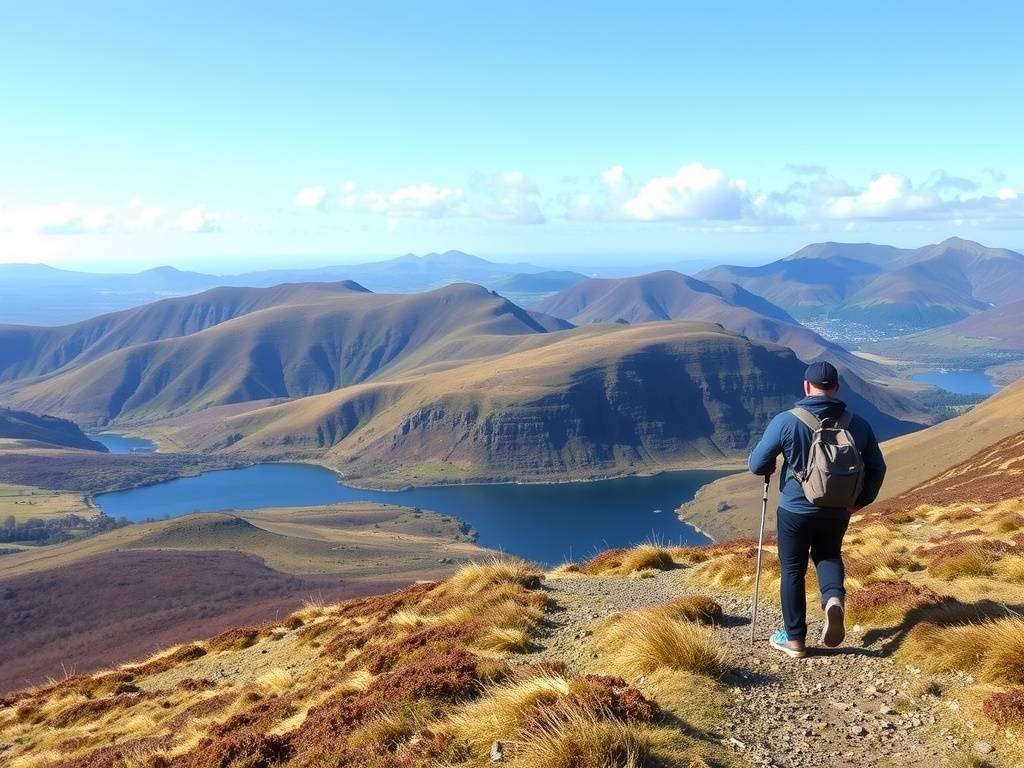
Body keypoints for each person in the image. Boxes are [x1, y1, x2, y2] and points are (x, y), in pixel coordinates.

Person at [747, 361, 886, 658]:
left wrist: (774, 462)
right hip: (837, 509)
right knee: (828, 555)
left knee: (793, 569)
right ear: (836, 388)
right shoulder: (858, 424)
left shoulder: (786, 421)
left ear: (806, 386)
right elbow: (877, 467)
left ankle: (795, 640)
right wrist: (859, 501)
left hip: (795, 509)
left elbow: (757, 464)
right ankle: (833, 599)